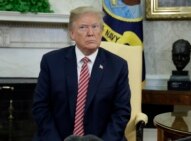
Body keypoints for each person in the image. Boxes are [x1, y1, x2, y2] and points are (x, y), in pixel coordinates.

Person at [32, 6, 131, 141]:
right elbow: (40, 107)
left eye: (95, 27)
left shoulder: (118, 66)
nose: (90, 33)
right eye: (83, 27)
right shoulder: (51, 62)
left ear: (101, 32)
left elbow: (121, 112)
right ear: (72, 33)